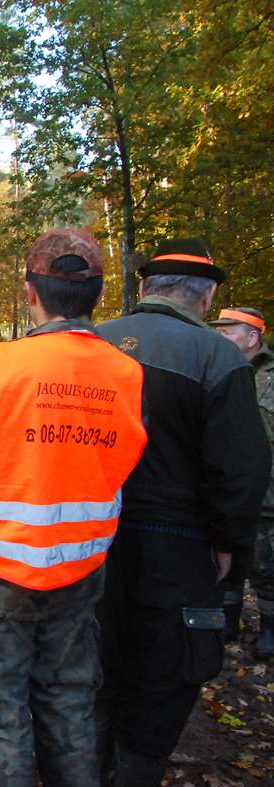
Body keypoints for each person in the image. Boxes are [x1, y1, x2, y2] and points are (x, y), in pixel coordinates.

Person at [0, 228, 148, 787]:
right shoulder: (128, 373)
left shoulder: (0, 365)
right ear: (98, 294)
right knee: (69, 708)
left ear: (30, 292)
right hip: (82, 571)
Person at [95, 239, 270, 785]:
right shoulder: (219, 357)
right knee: (166, 670)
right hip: (180, 544)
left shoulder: (92, 343)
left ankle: (90, 764)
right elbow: (240, 471)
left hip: (89, 536)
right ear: (207, 296)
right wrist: (229, 548)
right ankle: (134, 770)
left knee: (96, 657)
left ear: (147, 287)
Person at [209, 307, 274, 658]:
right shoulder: (218, 369)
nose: (220, 336)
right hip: (227, 485)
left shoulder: (270, 377)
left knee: (265, 563)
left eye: (228, 331)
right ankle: (228, 619)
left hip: (267, 492)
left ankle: (269, 626)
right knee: (228, 554)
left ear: (252, 338)